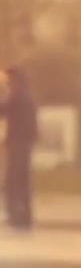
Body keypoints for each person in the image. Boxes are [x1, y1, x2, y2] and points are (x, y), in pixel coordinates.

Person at [1, 65, 36, 231]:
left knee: (14, 181)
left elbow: (2, 109)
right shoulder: (24, 95)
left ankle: (17, 216)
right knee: (22, 180)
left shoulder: (18, 96)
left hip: (18, 143)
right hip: (23, 143)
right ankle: (23, 217)